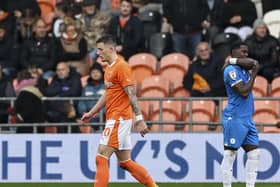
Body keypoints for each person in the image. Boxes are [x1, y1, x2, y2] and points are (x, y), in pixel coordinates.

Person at [81, 35, 158, 187]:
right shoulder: (109, 68)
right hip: (116, 118)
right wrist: (92, 112)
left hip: (119, 118)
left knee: (101, 156)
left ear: (111, 49)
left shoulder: (121, 67)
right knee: (125, 162)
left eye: (101, 50)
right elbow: (107, 94)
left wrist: (139, 119)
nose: (98, 53)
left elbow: (131, 93)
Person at [221, 42, 260, 187]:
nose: (246, 55)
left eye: (247, 52)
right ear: (234, 52)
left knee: (254, 154)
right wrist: (254, 74)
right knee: (230, 154)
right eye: (242, 52)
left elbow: (254, 62)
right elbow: (243, 92)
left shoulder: (243, 69)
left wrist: (234, 60)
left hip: (247, 118)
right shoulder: (230, 70)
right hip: (234, 117)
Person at [245, 18, 280, 83]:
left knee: (267, 72)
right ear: (255, 30)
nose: (262, 30)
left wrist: (260, 66)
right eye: (259, 28)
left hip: (268, 67)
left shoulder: (273, 41)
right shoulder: (248, 41)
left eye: (264, 28)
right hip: (253, 66)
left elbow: (274, 60)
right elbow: (245, 57)